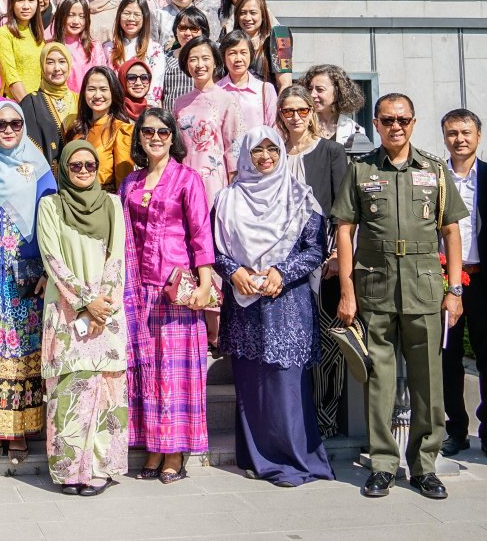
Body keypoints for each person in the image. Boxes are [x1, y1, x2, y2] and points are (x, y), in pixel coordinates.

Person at [333, 93, 464, 500]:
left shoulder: (435, 170)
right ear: (376, 123)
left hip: (424, 286)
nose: (396, 126)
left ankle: (424, 465)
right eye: (388, 120)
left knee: (428, 382)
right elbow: (344, 231)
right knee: (379, 381)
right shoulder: (361, 170)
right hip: (375, 286)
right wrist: (347, 291)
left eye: (403, 120)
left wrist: (455, 288)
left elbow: (451, 231)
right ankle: (384, 463)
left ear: (413, 121)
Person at [214, 127, 332, 486]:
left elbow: (315, 249)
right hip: (244, 304)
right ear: (245, 155)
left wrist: (283, 271)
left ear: (282, 153)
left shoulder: (300, 197)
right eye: (257, 150)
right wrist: (234, 273)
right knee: (252, 384)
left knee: (287, 383)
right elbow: (215, 250)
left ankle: (297, 459)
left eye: (272, 150)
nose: (265, 156)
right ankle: (260, 458)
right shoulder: (226, 200)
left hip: (288, 303)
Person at [120, 109, 215, 484]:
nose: (155, 137)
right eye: (148, 131)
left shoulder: (187, 179)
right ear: (139, 137)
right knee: (147, 371)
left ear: (173, 136)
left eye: (163, 131)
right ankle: (154, 448)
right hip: (139, 289)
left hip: (176, 291)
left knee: (175, 373)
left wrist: (205, 285)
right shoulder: (129, 183)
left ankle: (175, 452)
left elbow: (200, 234)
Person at [37, 140, 128, 496]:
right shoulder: (51, 205)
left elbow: (117, 257)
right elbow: (52, 260)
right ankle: (69, 472)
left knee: (107, 391)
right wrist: (86, 301)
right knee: (68, 392)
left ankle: (101, 469)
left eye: (90, 165)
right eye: (75, 166)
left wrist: (102, 305)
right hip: (66, 310)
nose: (84, 171)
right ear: (62, 169)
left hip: (107, 311)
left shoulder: (113, 205)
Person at [0, 101, 57, 461]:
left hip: (27, 268)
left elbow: (50, 214)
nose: (7, 129)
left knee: (24, 346)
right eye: (0, 124)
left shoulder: (37, 166)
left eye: (15, 123)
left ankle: (20, 427)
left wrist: (47, 267)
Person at [274, 85, 351, 440]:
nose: (295, 117)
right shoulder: (271, 154)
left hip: (324, 261)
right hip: (281, 263)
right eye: (288, 111)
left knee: (327, 341)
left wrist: (337, 253)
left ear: (312, 113)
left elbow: (343, 210)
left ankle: (325, 419)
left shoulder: (331, 152)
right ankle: (293, 417)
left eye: (301, 110)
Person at [437, 109, 487, 461]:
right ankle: (455, 429)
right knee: (447, 359)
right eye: (452, 133)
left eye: (466, 132)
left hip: (484, 281)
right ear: (444, 137)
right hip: (444, 281)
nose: (459, 139)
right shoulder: (433, 176)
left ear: (479, 136)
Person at [173, 36, 241, 208]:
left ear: (216, 62)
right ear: (186, 64)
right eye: (193, 59)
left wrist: (234, 190)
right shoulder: (179, 103)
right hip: (184, 180)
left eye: (205, 58)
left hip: (216, 183)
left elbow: (234, 149)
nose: (199, 65)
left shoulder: (227, 100)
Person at [71, 66, 135, 192]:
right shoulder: (76, 130)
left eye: (103, 89)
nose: (97, 95)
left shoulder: (121, 130)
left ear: (113, 92)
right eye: (91, 89)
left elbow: (124, 182)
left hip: (104, 202)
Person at [20, 42, 77, 170]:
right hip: (44, 175)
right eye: (50, 62)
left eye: (62, 61)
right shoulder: (31, 102)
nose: (57, 68)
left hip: (78, 173)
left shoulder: (79, 100)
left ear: (69, 65)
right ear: (42, 66)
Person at [105, 0, 165, 106]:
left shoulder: (155, 49)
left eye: (137, 14)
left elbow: (155, 87)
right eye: (127, 13)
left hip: (145, 110)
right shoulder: (107, 48)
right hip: (115, 109)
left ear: (144, 18)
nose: (131, 18)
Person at [227, 0, 293, 91]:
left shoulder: (281, 36)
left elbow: (285, 84)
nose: (247, 18)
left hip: (267, 100)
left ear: (263, 15)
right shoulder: (228, 40)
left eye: (253, 13)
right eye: (243, 13)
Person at [0, 0, 45, 101]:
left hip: (38, 101)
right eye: (20, 0)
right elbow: (11, 75)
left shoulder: (37, 34)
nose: (26, 6)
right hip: (16, 102)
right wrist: (29, 107)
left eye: (31, 0)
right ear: (11, 3)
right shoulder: (3, 33)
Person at [217, 32, 277, 140]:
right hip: (225, 155)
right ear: (223, 57)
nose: (238, 58)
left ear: (251, 55)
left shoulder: (265, 89)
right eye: (232, 53)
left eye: (243, 52)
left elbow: (274, 127)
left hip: (256, 154)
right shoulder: (216, 90)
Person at [302, 64, 371, 151]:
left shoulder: (352, 129)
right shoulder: (301, 123)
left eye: (320, 89)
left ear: (338, 92)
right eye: (310, 89)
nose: (312, 94)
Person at [160, 7, 208, 111]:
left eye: (194, 29)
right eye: (182, 28)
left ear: (203, 31)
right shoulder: (165, 58)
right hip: (172, 121)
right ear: (175, 31)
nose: (187, 33)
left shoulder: (211, 59)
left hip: (202, 120)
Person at [55, 0, 104, 92]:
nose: (76, 21)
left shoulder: (94, 47)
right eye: (71, 15)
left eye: (82, 17)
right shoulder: (53, 47)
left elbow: (100, 78)